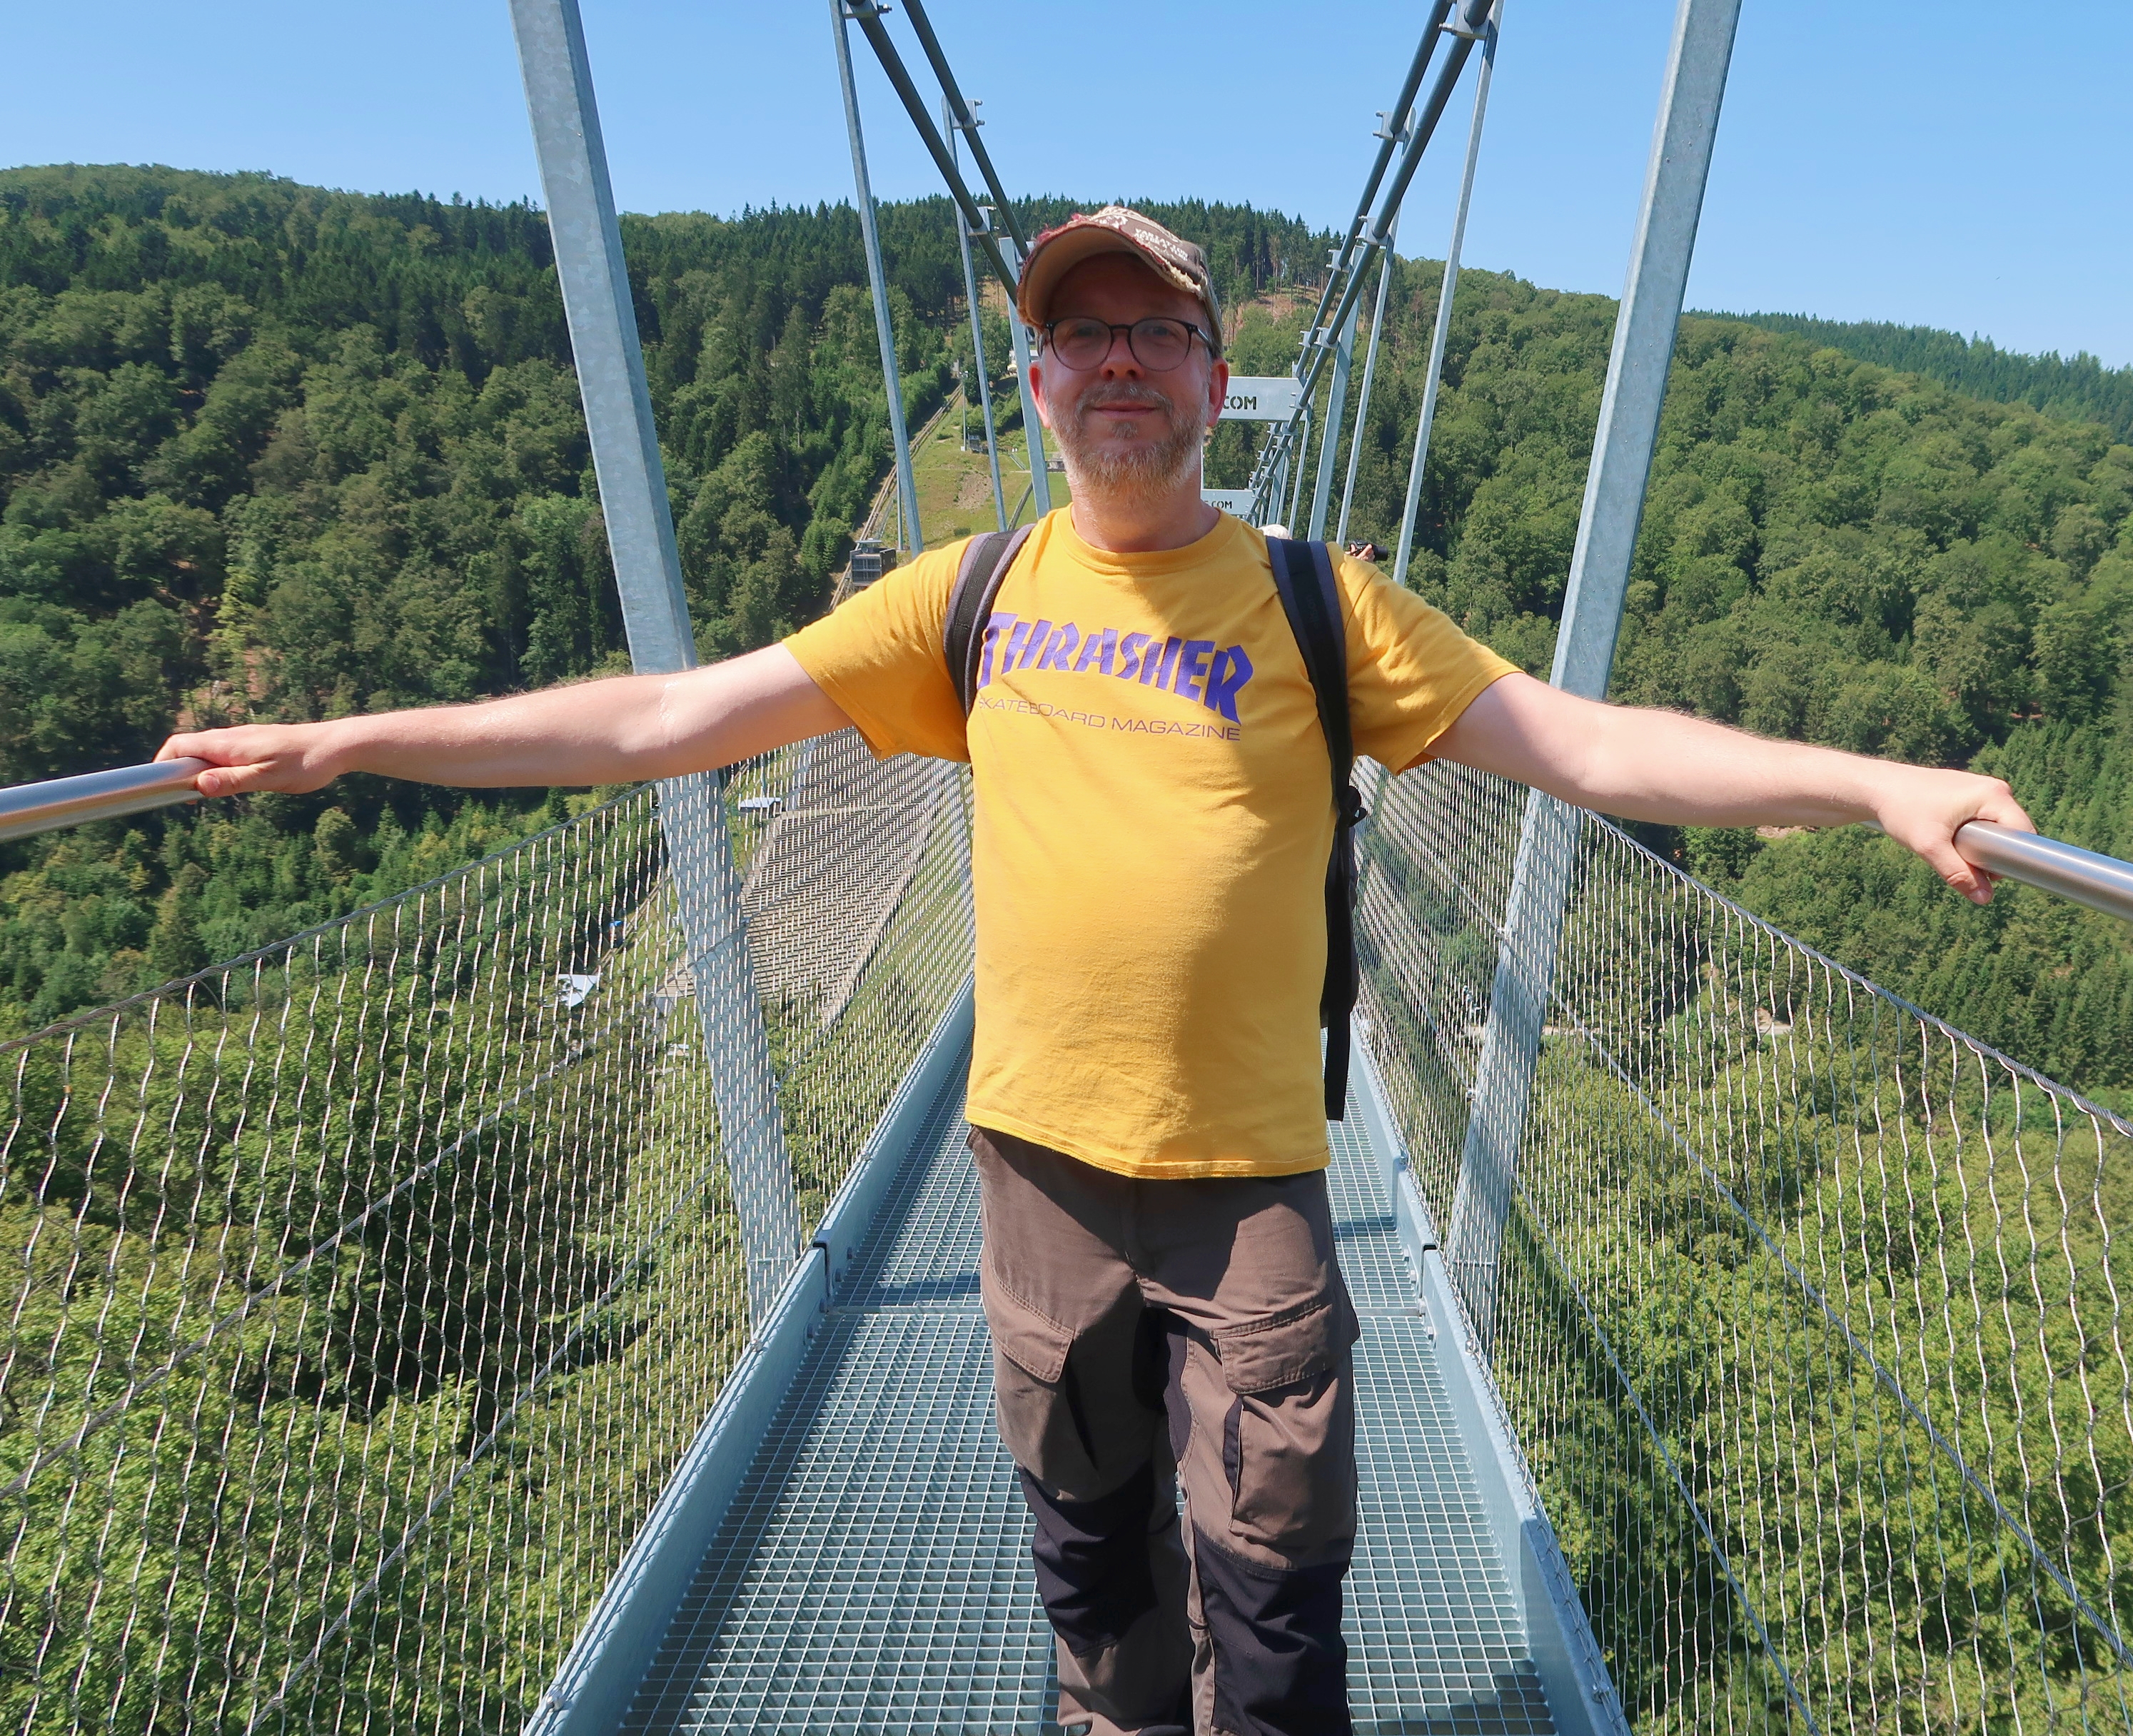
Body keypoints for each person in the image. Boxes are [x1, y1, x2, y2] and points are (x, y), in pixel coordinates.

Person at [158, 205, 2034, 1735]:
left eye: (1156, 332)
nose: (1119, 361)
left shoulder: (1323, 602)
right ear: (1041, 384)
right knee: (1092, 1578)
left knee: (1281, 1607)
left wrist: (1873, 785)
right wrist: (350, 739)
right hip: (1038, 1169)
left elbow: (1592, 748)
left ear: (1217, 378)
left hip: (1253, 1185)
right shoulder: (965, 599)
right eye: (1083, 335)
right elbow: (664, 717)